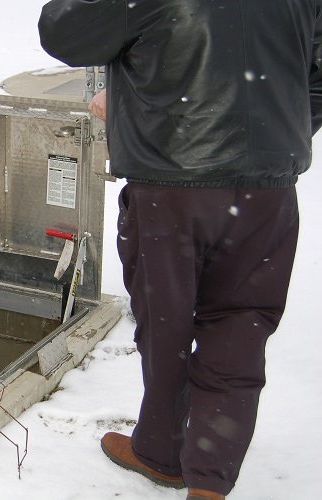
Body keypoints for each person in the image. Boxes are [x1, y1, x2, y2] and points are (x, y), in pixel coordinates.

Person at [38, 1, 322, 499]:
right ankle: (207, 484)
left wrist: (146, 105)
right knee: (240, 324)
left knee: (167, 322)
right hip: (268, 190)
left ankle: (164, 453)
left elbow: (63, 32)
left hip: (171, 180)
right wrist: (273, 131)